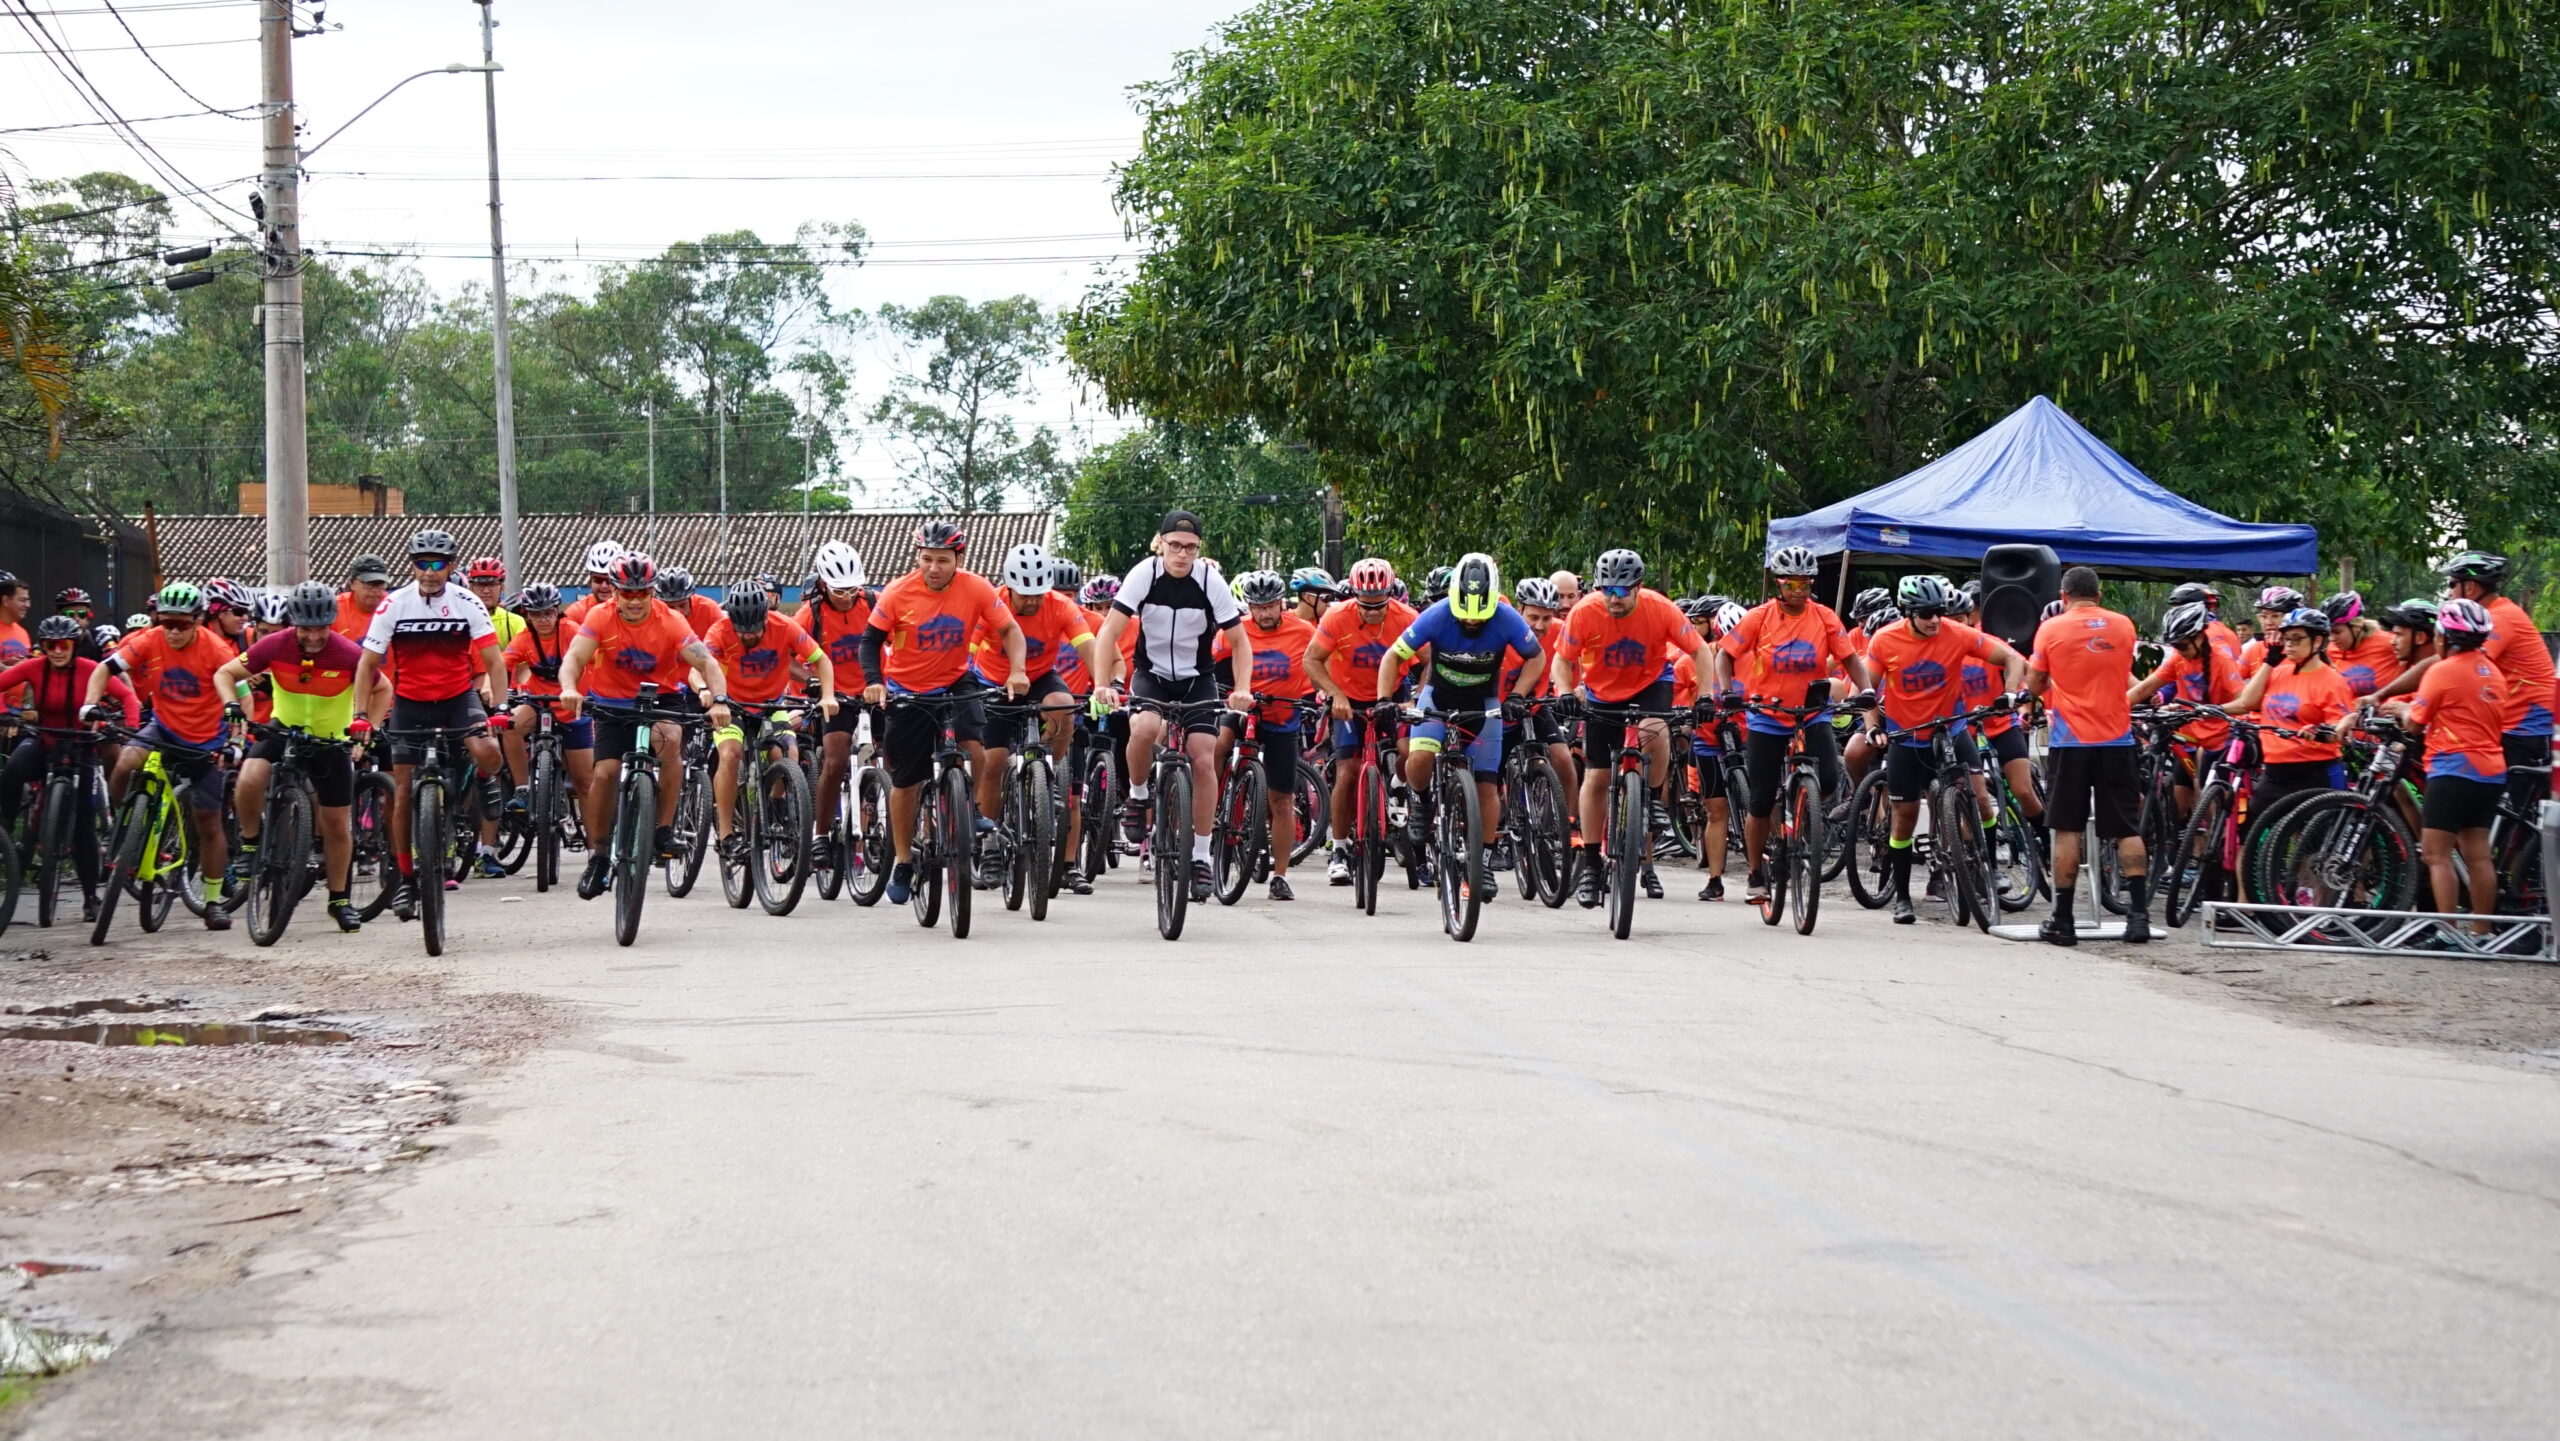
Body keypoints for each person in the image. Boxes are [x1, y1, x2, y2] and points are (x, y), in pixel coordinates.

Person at [860, 521, 1027, 905]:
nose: (933, 568)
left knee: (976, 744)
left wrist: (1017, 670)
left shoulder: (976, 587)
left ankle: (974, 811)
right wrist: (874, 680)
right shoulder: (897, 593)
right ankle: (903, 859)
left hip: (955, 680)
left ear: (958, 559)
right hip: (907, 689)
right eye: (926, 559)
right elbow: (870, 641)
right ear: (917, 558)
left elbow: (1010, 631)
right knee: (906, 780)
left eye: (943, 560)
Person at [1090, 510, 1249, 904]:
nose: (1182, 554)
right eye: (1174, 546)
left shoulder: (1211, 581)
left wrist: (1242, 689)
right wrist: (1100, 685)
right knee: (1142, 729)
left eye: (1190, 548)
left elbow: (1241, 643)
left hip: (1198, 679)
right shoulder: (1144, 574)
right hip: (1152, 674)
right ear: (1161, 543)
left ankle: (1199, 856)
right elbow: (1109, 631)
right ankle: (1139, 794)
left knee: (1202, 755)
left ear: (1198, 550)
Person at [350, 529, 512, 910]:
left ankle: (485, 780)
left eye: (438, 564)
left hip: (458, 698)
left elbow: (492, 661)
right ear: (413, 566)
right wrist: (360, 715)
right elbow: (367, 664)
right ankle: (405, 876)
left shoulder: (466, 602)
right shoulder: (394, 605)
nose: (429, 572)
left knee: (489, 751)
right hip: (411, 703)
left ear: (451, 566)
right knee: (403, 793)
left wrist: (502, 707)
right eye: (422, 564)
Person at [557, 551, 732, 899]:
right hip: (611, 701)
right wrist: (568, 688)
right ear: (616, 592)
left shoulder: (670, 619)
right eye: (627, 593)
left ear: (652, 591)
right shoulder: (599, 616)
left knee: (670, 739)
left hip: (658, 698)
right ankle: (600, 857)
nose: (635, 601)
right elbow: (574, 658)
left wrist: (721, 698)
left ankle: (664, 829)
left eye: (643, 593)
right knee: (604, 773)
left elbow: (707, 662)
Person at [1858, 574, 2027, 923]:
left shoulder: (1957, 632)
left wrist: (2010, 692)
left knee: (1980, 797)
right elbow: (1866, 691)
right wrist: (1873, 726)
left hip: (1951, 728)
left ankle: (1989, 869)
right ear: (1907, 612)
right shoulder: (1885, 641)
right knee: (1903, 819)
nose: (1934, 619)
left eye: (1938, 611)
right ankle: (1902, 896)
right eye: (1925, 613)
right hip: (1907, 736)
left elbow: (2012, 658)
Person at [1380, 553, 1544, 903]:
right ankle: (1421, 801)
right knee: (1420, 756)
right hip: (1437, 699)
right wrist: (1383, 698)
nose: (1471, 620)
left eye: (1479, 617)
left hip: (1483, 706)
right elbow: (1393, 655)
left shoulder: (1506, 618)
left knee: (1487, 783)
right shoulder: (1437, 616)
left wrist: (1517, 694)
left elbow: (1537, 656)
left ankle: (1482, 860)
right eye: (1464, 614)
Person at [1714, 544, 1871, 907]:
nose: (1799, 592)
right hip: (1767, 715)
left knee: (1829, 781)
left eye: (1805, 585)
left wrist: (1866, 690)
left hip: (1811, 712)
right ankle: (1756, 872)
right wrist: (1727, 692)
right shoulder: (1760, 617)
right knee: (1760, 800)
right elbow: (1725, 655)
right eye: (1792, 585)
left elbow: (1849, 658)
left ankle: (1803, 815)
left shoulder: (1824, 617)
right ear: (1779, 585)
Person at [1559, 547, 1715, 907]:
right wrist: (1566, 691)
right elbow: (1562, 660)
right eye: (1606, 591)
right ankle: (1593, 864)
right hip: (1601, 692)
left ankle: (1651, 796)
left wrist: (1705, 696)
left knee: (1654, 728)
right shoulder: (1584, 612)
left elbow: (1701, 651)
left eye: (1621, 591)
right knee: (1597, 777)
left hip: (1650, 683)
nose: (1612, 599)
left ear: (1638, 587)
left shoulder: (1660, 608)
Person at [82, 582, 239, 930]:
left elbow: (243, 693)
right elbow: (104, 668)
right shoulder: (150, 639)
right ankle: (126, 829)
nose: (172, 631)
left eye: (181, 624)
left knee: (209, 823)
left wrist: (237, 739)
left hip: (205, 740)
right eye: (166, 622)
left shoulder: (217, 650)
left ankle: (213, 902)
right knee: (124, 764)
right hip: (163, 727)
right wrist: (91, 703)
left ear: (198, 621)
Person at [215, 581, 368, 933]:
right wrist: (231, 704)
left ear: (331, 623)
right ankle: (251, 843)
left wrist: (365, 725)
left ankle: (339, 899)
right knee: (250, 778)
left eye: (320, 629)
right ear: (293, 624)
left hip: (330, 740)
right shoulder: (276, 644)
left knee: (335, 824)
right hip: (282, 728)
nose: (313, 637)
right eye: (305, 629)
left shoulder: (347, 653)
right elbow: (226, 674)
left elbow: (382, 687)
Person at [2025, 566, 2149, 945]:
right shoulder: (2124, 625)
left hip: (2070, 740)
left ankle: (2063, 920)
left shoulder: (2051, 628)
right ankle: (2139, 917)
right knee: (2126, 827)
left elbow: (2036, 681)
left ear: (2063, 596)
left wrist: (2042, 694)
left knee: (2067, 827)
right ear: (2099, 594)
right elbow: (2123, 670)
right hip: (2117, 738)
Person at [2380, 598, 2507, 926]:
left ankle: (2447, 930)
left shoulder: (2443, 670)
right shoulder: (2493, 672)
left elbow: (2414, 724)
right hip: (2490, 771)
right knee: (2478, 855)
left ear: (2444, 637)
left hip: (2453, 770)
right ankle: (2482, 932)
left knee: (2436, 853)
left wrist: (2401, 709)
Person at [1, 613, 135, 920]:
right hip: (45, 740)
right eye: (50, 645)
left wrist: (129, 726)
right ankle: (5, 831)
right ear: (43, 646)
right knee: (12, 771)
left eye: (63, 645)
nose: (57, 651)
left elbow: (127, 696)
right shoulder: (34, 667)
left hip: (81, 747)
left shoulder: (91, 670)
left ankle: (91, 897)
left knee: (83, 826)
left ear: (73, 645)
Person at [971, 543, 1094, 864]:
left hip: (1039, 677)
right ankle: (990, 843)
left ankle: (1048, 772)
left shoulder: (1060, 606)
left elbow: (1089, 646)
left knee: (1063, 704)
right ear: (1009, 586)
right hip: (992, 682)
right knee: (993, 762)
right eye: (1024, 594)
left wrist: (1105, 685)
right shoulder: (990, 603)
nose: (1032, 600)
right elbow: (966, 650)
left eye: (1038, 593)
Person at [1306, 557, 1415, 886]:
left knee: (1410, 750)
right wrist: (1334, 695)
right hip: (1348, 697)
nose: (1372, 612)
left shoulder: (1407, 618)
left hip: (1394, 693)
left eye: (1379, 605)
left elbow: (1430, 660)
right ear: (1354, 596)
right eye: (1365, 605)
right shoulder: (1337, 617)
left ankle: (1396, 789)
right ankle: (1339, 849)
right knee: (1348, 772)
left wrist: (1417, 696)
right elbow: (1312, 660)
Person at [703, 587, 833, 860]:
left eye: (755, 629)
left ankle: (775, 809)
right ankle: (725, 835)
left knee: (788, 752)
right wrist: (709, 694)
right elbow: (697, 667)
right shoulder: (719, 630)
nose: (748, 635)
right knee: (730, 754)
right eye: (742, 630)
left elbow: (821, 660)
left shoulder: (784, 626)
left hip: (770, 704)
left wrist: (828, 695)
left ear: (766, 616)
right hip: (732, 704)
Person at [1214, 569, 1319, 899]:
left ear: (1281, 603)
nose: (1265, 613)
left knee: (1281, 799)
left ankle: (1280, 875)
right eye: (1258, 607)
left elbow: (1319, 664)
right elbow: (1213, 664)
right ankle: (1214, 794)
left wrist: (1316, 696)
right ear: (1248, 607)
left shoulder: (1303, 631)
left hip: (1282, 714)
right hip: (1241, 707)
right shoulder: (1235, 630)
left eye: (1271, 606)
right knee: (1219, 743)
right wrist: (1224, 693)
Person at [2439, 551, 2555, 809]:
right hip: (2506, 724)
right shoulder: (2488, 617)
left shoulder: (2499, 618)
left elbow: (2458, 667)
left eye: (2451, 585)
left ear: (2469, 587)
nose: (2448, 594)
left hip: (2528, 729)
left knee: (2521, 816)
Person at [2216, 606, 2355, 816]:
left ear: (2317, 642)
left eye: (2297, 639)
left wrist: (2320, 732)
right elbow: (2247, 702)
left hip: (2315, 773)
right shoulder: (2278, 672)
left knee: (2321, 844)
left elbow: (2340, 732)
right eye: (2286, 638)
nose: (2289, 644)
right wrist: (2269, 661)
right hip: (2275, 773)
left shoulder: (2332, 682)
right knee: (2248, 839)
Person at [793, 540, 874, 874]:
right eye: (839, 590)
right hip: (834, 695)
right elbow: (784, 655)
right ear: (824, 584)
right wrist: (811, 680)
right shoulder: (809, 614)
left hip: (872, 691)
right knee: (837, 759)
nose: (847, 596)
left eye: (852, 588)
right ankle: (821, 834)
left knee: (893, 756)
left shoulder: (872, 603)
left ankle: (878, 830)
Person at [2127, 600, 2243, 812]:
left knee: (2211, 807)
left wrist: (2219, 710)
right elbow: (2143, 689)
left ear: (2199, 637)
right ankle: (2187, 844)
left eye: (2182, 646)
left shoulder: (2222, 660)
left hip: (2219, 740)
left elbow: (2243, 700)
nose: (2178, 651)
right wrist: (2112, 710)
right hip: (2189, 736)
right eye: (2175, 646)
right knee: (2179, 804)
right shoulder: (2178, 659)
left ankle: (2215, 842)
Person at [499, 584, 595, 822]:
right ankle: (523, 788)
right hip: (539, 703)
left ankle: (597, 852)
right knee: (509, 725)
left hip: (575, 708)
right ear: (527, 615)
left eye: (548, 613)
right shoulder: (524, 639)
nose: (543, 620)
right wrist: (493, 689)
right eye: (535, 614)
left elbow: (597, 660)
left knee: (585, 782)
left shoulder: (573, 631)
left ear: (557, 611)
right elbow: (501, 666)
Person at [2323, 592, 2400, 698]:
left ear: (2356, 626)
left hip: (2384, 710)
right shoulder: (2332, 649)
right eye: (2329, 633)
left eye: (2337, 632)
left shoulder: (2388, 643)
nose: (2331, 638)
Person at [2238, 586, 2306, 677]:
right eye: (2263, 616)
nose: (2268, 623)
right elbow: (2231, 681)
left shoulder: (2303, 651)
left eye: (2275, 616)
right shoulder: (2255, 649)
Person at [464, 558, 526, 649]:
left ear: (502, 587)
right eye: (480, 585)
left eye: (492, 584)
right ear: (471, 587)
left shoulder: (515, 622)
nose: (485, 591)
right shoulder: (460, 621)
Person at [564, 541, 627, 626]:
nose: (604, 586)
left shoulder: (634, 610)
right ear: (590, 581)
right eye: (598, 579)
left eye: (609, 581)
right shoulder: (575, 614)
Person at [657, 565, 724, 638]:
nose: (678, 612)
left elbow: (725, 639)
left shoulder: (709, 609)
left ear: (690, 598)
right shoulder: (652, 614)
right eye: (671, 607)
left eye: (682, 605)